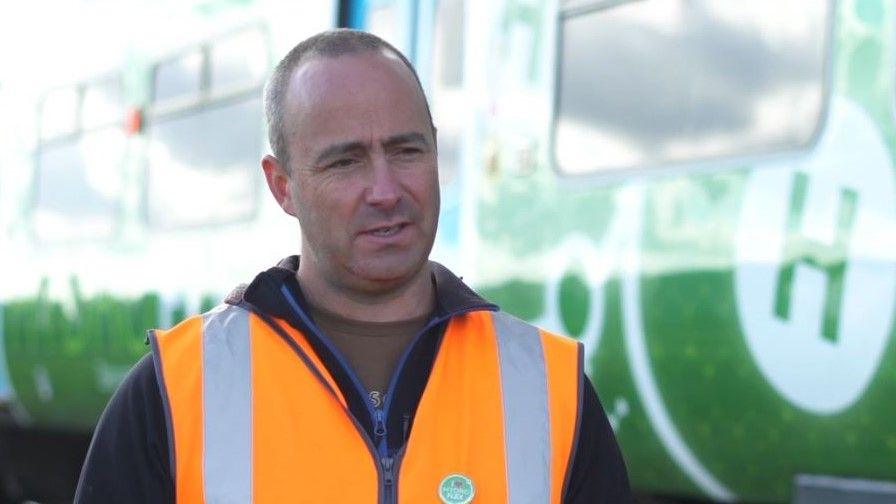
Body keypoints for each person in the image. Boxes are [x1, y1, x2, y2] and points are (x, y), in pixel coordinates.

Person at [75, 29, 630, 503]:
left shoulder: (553, 390)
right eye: (345, 161)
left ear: (436, 152)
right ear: (282, 186)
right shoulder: (175, 392)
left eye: (407, 151)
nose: (386, 190)